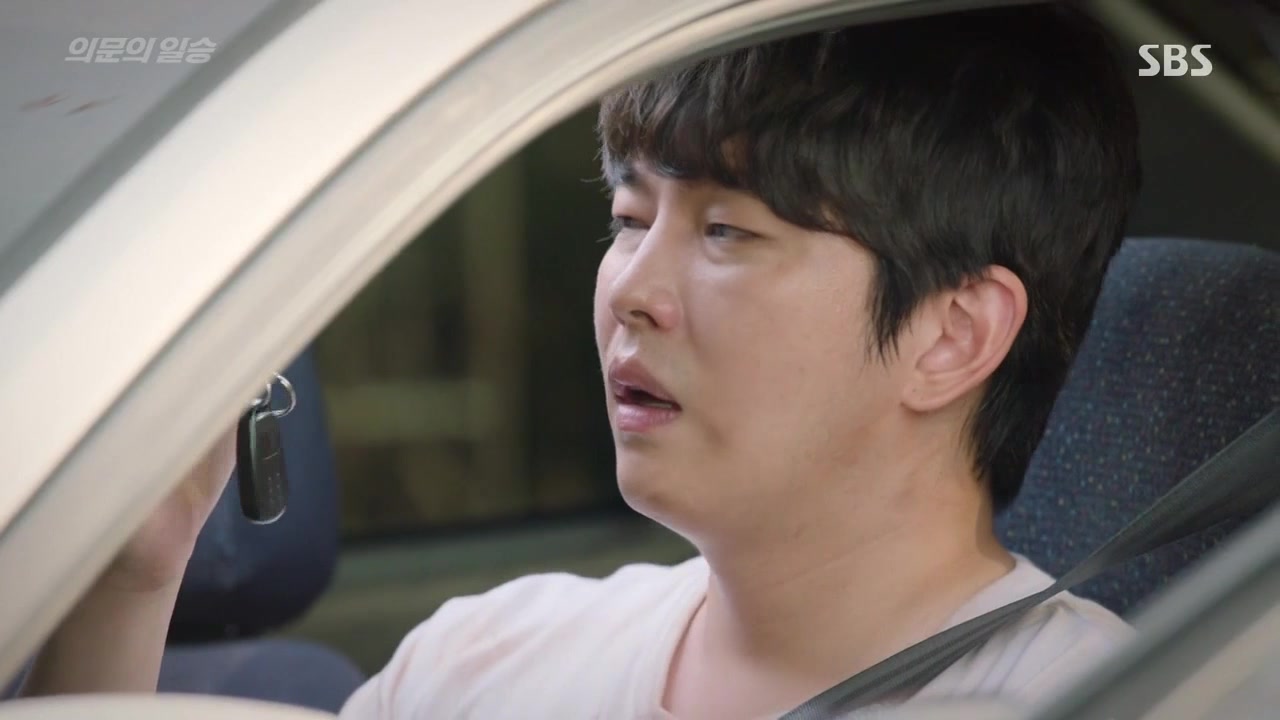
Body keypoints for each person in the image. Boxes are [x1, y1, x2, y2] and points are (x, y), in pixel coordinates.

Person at [18, 3, 1142, 718]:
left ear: (952, 335)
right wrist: (129, 588)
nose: (632, 291)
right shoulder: (486, 657)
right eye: (626, 218)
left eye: (727, 232)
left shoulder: (1132, 696)